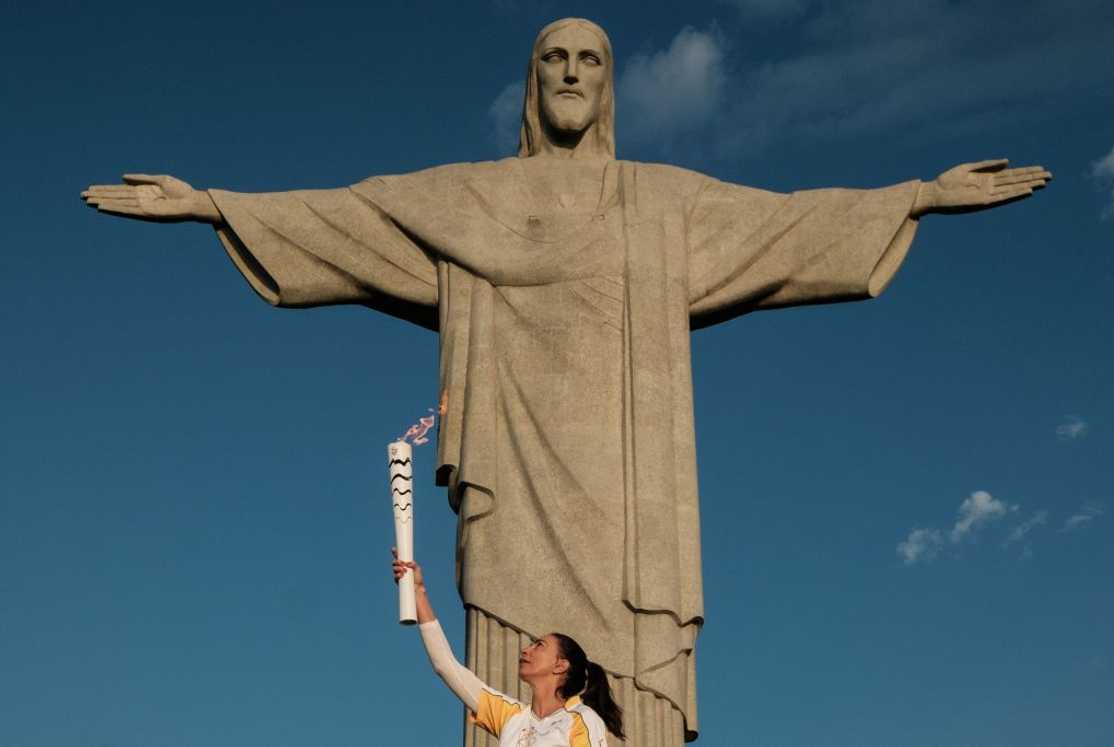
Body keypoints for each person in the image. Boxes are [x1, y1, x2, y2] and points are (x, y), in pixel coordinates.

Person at [81, 17, 1050, 744]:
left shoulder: (660, 203)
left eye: (591, 60)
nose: (572, 75)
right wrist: (212, 205)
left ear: (612, 84)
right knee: (503, 646)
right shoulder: (471, 197)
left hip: (631, 485)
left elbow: (790, 223)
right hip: (513, 461)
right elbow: (351, 218)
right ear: (530, 83)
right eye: (555, 59)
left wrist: (918, 193)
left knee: (630, 647)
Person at [392, 549, 624, 746]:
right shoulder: (512, 717)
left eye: (539, 646)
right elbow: (446, 667)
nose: (526, 650)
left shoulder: (582, 719)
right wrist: (418, 593)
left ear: (560, 665)